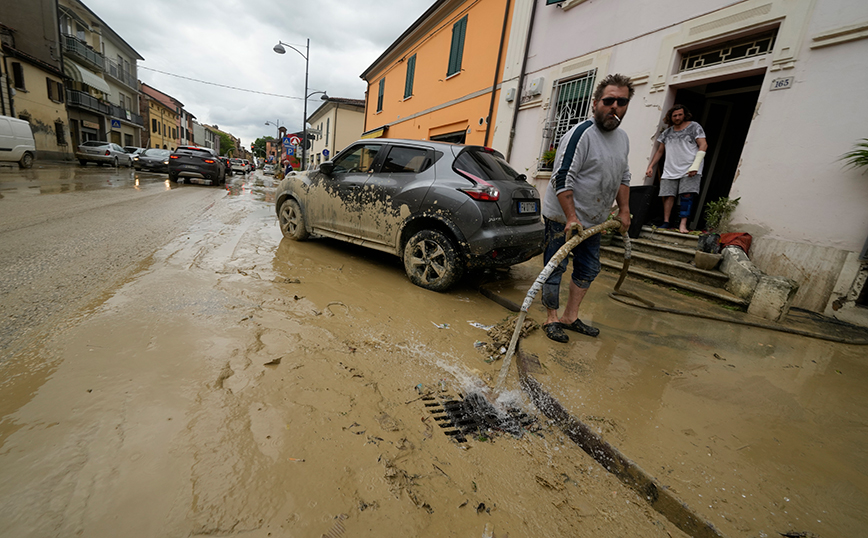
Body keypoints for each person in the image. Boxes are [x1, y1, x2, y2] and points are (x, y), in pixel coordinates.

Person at [541, 73, 633, 344]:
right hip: (563, 217)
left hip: (595, 220)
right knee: (555, 267)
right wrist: (570, 217)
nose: (614, 107)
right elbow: (562, 177)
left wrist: (624, 210)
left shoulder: (623, 139)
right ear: (595, 103)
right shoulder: (581, 134)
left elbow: (623, 177)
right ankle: (551, 317)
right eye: (608, 100)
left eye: (621, 102)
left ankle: (570, 316)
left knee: (589, 268)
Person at [645, 105, 708, 233]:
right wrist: (651, 166)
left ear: (684, 115)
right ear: (671, 117)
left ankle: (682, 225)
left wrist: (695, 165)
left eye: (680, 114)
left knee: (687, 195)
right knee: (668, 195)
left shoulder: (694, 127)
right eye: (675, 115)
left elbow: (703, 144)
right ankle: (666, 221)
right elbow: (660, 151)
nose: (677, 117)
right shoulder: (666, 133)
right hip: (670, 169)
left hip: (690, 167)